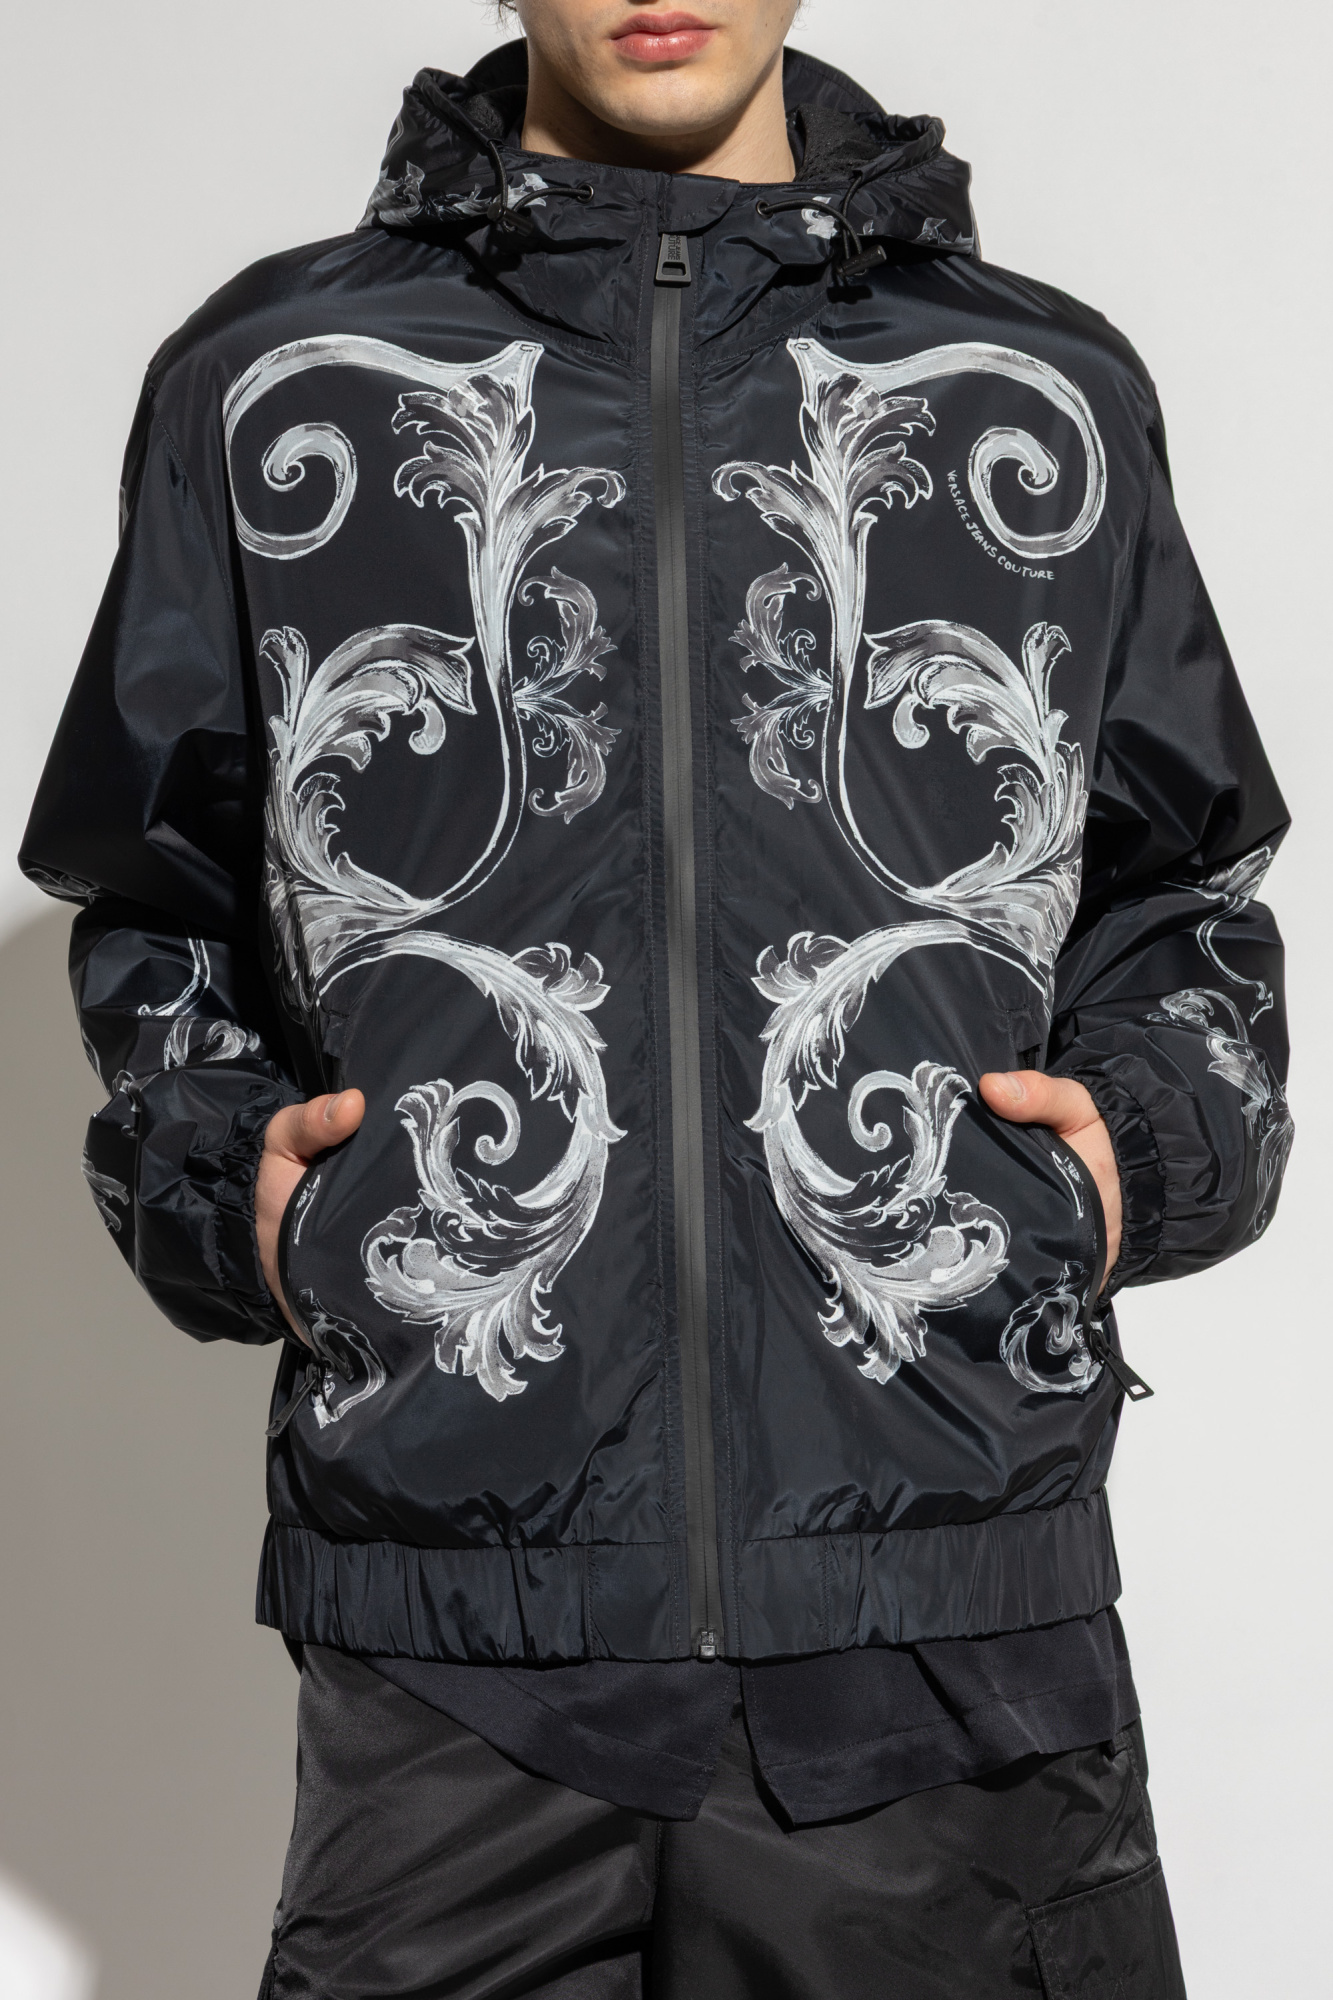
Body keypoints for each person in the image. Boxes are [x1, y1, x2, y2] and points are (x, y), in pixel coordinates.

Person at [20, 1, 1292, 1993]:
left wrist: (1126, 1156)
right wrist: (235, 1187)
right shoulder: (273, 381)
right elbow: (151, 895)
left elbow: (1180, 893)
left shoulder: (1031, 384)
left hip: (944, 1614)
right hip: (457, 1650)